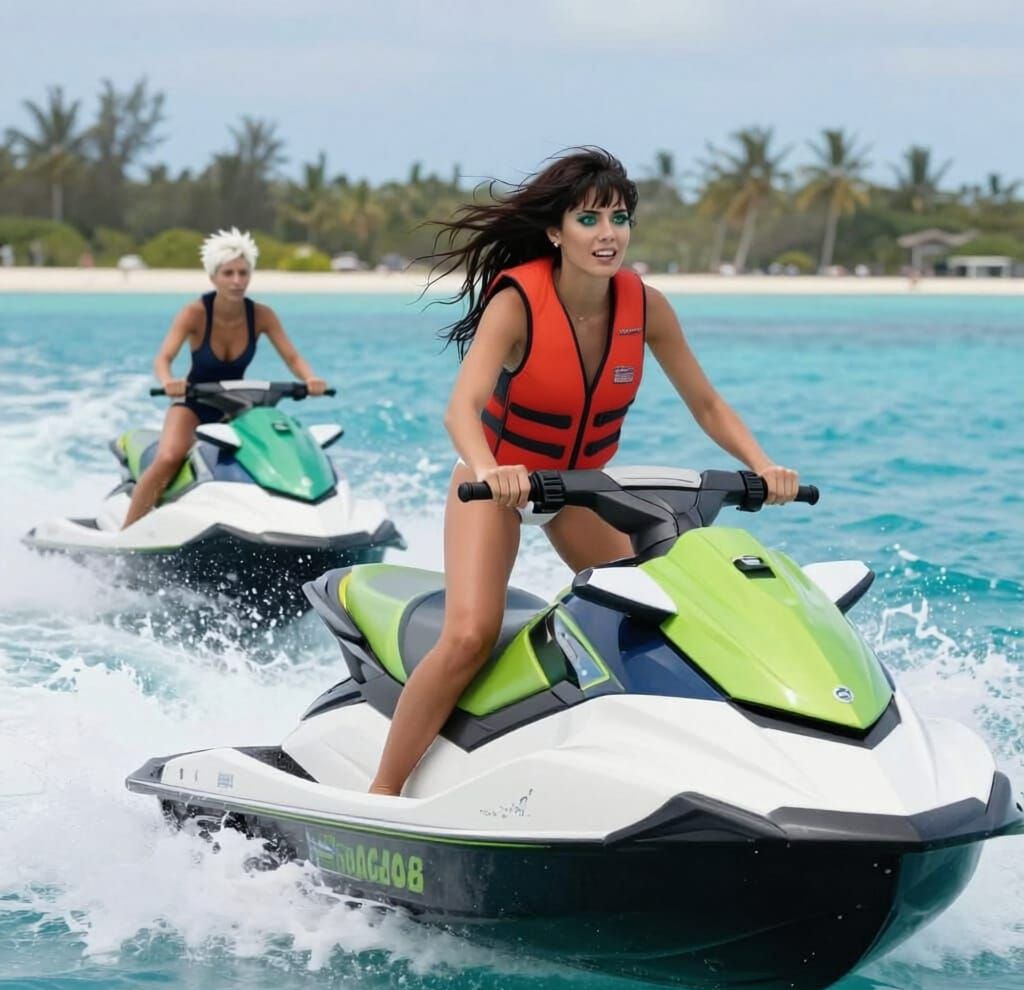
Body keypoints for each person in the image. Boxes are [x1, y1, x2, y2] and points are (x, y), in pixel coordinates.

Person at [369, 148, 800, 796]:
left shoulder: (647, 306)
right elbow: (462, 407)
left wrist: (763, 466)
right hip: (495, 482)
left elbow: (707, 403)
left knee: (665, 613)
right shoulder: (517, 303)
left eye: (619, 219)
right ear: (556, 232)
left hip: (582, 489)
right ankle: (382, 792)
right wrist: (492, 469)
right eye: (589, 219)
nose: (608, 235)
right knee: (468, 635)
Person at [122, 228, 327, 528]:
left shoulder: (262, 315)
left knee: (265, 456)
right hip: (194, 405)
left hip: (236, 410)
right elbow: (163, 358)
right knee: (169, 457)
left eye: (243, 273)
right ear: (213, 277)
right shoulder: (194, 313)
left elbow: (293, 358)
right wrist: (169, 381)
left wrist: (311, 379)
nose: (236, 281)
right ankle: (126, 534)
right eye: (228, 273)